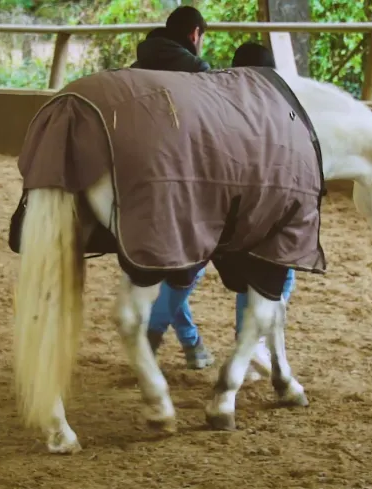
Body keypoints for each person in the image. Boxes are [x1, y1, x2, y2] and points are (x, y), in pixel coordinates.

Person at [133, 6, 214, 370]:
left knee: (159, 266)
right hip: (179, 176)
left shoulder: (133, 70)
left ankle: (191, 341)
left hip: (134, 175)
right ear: (194, 34)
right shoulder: (197, 72)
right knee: (191, 265)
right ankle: (154, 334)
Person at [229, 40, 297, 382]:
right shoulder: (275, 107)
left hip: (230, 208)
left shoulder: (221, 101)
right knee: (275, 276)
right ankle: (252, 344)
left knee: (249, 281)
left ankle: (250, 342)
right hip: (259, 209)